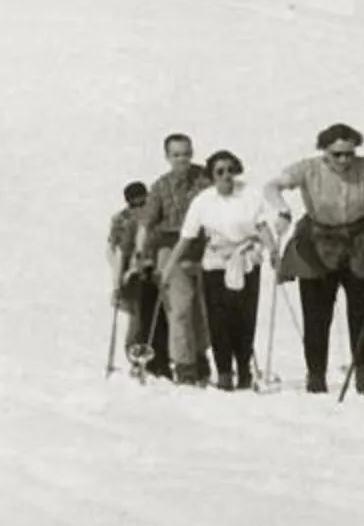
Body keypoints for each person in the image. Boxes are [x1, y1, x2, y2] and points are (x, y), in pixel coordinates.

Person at [265, 124, 364, 396]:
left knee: (362, 310)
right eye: (337, 154)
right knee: (316, 314)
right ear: (325, 152)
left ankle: (363, 371)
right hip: (318, 241)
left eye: (349, 153)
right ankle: (316, 374)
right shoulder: (308, 168)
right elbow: (272, 186)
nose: (345, 160)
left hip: (358, 240)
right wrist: (283, 211)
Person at [175, 151, 282, 391]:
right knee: (218, 319)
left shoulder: (250, 195)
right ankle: (224, 371)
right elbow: (187, 236)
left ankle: (244, 369)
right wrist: (170, 264)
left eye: (230, 170)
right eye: (220, 172)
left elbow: (262, 225)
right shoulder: (203, 201)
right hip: (216, 261)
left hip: (246, 259)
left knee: (244, 317)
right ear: (211, 175)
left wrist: (274, 251)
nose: (226, 176)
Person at [134, 134, 212, 384]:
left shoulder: (205, 179)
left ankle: (201, 357)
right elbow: (146, 223)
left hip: (204, 246)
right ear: (167, 157)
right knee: (180, 308)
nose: (182, 159)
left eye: (186, 153)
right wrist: (140, 253)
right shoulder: (160, 186)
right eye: (177, 155)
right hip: (171, 247)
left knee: (204, 309)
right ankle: (184, 366)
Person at [107, 181, 152, 375]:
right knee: (137, 315)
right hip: (132, 273)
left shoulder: (153, 214)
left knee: (145, 315)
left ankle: (146, 353)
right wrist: (117, 280)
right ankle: (135, 353)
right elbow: (115, 251)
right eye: (135, 201)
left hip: (150, 268)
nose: (139, 204)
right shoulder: (121, 220)